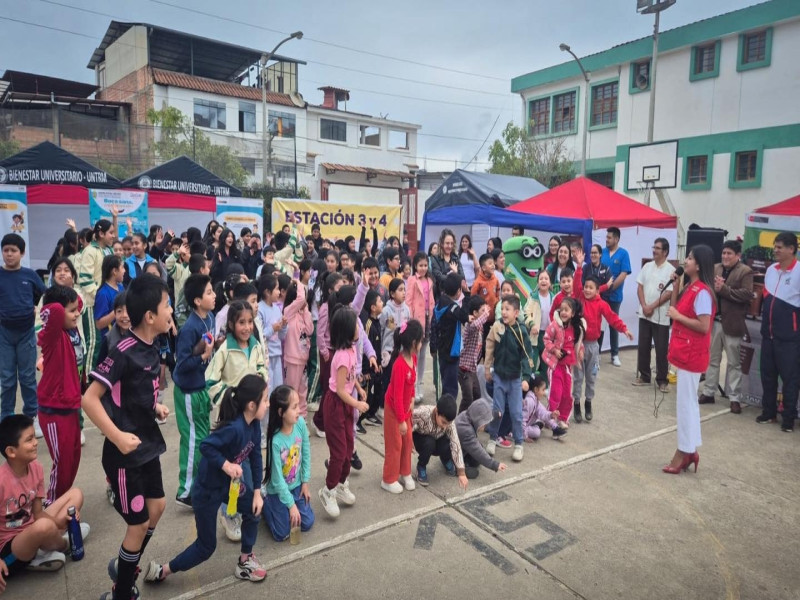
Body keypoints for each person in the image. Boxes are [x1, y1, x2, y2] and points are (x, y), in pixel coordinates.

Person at [81, 274, 172, 600]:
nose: (171, 312)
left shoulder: (152, 346)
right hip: (124, 456)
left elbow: (135, 395)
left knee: (158, 507)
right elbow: (89, 399)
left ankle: (125, 566)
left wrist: (156, 406)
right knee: (137, 524)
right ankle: (121, 593)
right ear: (150, 316)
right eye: (167, 306)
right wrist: (117, 436)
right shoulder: (122, 350)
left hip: (147, 446)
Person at [143, 375, 268, 585]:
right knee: (206, 547)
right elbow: (206, 445)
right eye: (265, 399)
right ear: (251, 405)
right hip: (207, 492)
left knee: (254, 510)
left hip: (230, 487)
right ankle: (163, 571)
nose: (268, 403)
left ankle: (245, 561)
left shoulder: (253, 425)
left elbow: (255, 457)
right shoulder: (235, 428)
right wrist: (227, 465)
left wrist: (256, 491)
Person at [0, 415, 90, 585]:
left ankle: (46, 546)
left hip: (32, 524)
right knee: (43, 526)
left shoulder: (36, 468)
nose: (35, 442)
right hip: (10, 549)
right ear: (11, 451)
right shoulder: (1, 482)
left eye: (34, 437)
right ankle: (65, 543)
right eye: (29, 439)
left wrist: (62, 522)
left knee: (76, 494)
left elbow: (38, 513)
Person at [664, 245, 716, 472]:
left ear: (699, 264)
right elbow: (675, 309)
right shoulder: (690, 287)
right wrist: (675, 285)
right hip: (684, 352)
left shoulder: (703, 292)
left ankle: (683, 452)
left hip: (692, 354)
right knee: (689, 404)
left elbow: (704, 326)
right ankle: (691, 449)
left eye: (690, 258)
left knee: (685, 406)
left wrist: (678, 316)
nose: (686, 261)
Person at [318, 307, 369, 518]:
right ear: (347, 331)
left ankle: (341, 483)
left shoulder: (352, 351)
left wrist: (358, 388)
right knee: (338, 452)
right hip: (336, 404)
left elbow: (351, 377)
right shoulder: (340, 357)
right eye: (355, 324)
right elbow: (339, 389)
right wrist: (357, 404)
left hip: (346, 403)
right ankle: (328, 490)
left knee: (349, 447)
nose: (359, 327)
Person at [172, 274, 216, 509]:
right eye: (209, 292)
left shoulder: (209, 318)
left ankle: (198, 484)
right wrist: (203, 356)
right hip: (187, 390)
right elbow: (182, 364)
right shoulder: (189, 328)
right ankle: (185, 491)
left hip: (200, 387)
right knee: (192, 441)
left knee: (202, 438)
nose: (214, 295)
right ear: (197, 301)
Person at [36, 285, 83, 504]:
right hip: (54, 410)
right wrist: (57, 296)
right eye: (72, 311)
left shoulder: (69, 331)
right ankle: (51, 505)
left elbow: (77, 304)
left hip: (70, 407)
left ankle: (61, 501)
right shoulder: (52, 336)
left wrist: (70, 302)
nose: (77, 314)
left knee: (72, 460)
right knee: (62, 462)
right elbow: (54, 309)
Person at [698, 240, 754, 414]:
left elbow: (746, 295)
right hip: (714, 321)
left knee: (734, 363)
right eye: (723, 253)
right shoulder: (715, 268)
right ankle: (708, 392)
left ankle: (735, 398)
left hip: (733, 323)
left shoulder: (745, 271)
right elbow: (707, 288)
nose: (725, 256)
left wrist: (724, 289)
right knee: (712, 359)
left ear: (738, 255)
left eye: (729, 253)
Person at [0, 234, 46, 434]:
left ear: (22, 253)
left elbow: (44, 295)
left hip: (26, 333)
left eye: (13, 250)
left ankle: (31, 417)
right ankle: (7, 419)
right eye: (6, 250)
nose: (9, 254)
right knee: (7, 378)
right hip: (4, 334)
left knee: (28, 378)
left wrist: (35, 307)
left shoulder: (30, 275)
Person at [756, 232, 800, 432]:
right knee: (768, 375)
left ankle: (789, 419)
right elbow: (767, 297)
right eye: (775, 246)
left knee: (790, 379)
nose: (775, 250)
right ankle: (769, 412)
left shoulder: (799, 271)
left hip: (789, 338)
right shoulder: (771, 270)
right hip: (769, 335)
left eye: (780, 247)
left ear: (792, 249)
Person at [573, 276, 633, 422]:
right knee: (578, 378)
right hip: (579, 346)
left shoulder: (601, 304)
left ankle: (588, 402)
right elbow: (576, 286)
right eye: (585, 287)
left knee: (591, 377)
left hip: (593, 346)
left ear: (598, 291)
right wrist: (580, 266)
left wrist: (624, 329)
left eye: (591, 287)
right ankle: (576, 404)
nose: (587, 290)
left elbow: (612, 317)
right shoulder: (580, 300)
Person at [485, 294, 534, 462]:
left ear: (516, 312)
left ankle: (519, 444)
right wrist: (487, 368)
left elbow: (527, 356)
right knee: (497, 410)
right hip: (499, 376)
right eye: (502, 309)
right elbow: (490, 346)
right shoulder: (497, 326)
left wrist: (526, 377)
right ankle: (492, 439)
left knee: (516, 413)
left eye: (508, 309)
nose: (504, 312)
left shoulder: (521, 331)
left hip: (514, 380)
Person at [263, 385, 314, 542]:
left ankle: (287, 507)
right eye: (294, 407)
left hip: (296, 485)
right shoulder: (275, 441)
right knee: (282, 533)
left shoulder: (299, 425)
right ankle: (265, 502)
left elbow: (306, 453)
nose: (299, 410)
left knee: (307, 522)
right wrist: (291, 506)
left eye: (298, 405)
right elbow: (277, 480)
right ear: (281, 413)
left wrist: (305, 482)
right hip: (277, 491)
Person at [381, 320, 424, 494]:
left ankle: (405, 472)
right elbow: (397, 396)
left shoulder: (413, 358)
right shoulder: (399, 365)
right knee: (395, 443)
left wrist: (413, 398)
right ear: (414, 343)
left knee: (408, 442)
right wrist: (401, 421)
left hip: (406, 408)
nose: (422, 343)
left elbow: (412, 384)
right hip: (394, 410)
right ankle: (388, 478)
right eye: (420, 341)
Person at [632, 238, 675, 392]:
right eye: (654, 247)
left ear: (665, 252)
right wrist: (644, 306)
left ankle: (662, 380)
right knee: (643, 346)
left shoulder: (670, 270)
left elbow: (669, 294)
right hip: (644, 314)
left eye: (657, 248)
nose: (654, 250)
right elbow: (639, 287)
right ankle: (644, 376)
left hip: (660, 316)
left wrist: (651, 306)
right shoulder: (647, 266)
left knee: (661, 348)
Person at [78, 219, 115, 374]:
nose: (113, 236)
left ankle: (103, 377)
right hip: (93, 304)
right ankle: (87, 381)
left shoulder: (108, 251)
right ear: (101, 234)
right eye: (111, 233)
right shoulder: (90, 251)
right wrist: (99, 295)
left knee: (107, 341)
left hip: (107, 303)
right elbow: (84, 279)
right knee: (94, 342)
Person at [542, 297, 586, 427]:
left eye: (566, 310)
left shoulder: (575, 328)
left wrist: (581, 351)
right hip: (555, 366)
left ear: (572, 313)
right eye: (561, 310)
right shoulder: (554, 325)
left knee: (567, 394)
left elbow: (578, 342)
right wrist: (554, 350)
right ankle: (550, 417)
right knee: (556, 393)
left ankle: (562, 418)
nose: (563, 313)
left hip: (567, 366)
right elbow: (546, 339)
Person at [411, 394, 467, 488]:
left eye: (448, 423)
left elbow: (455, 443)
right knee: (430, 442)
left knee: (449, 440)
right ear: (437, 411)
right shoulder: (423, 413)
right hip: (421, 440)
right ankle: (421, 467)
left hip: (437, 440)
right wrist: (408, 442)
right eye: (443, 422)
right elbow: (407, 421)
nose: (445, 426)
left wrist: (461, 472)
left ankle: (446, 459)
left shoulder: (449, 423)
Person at [433, 273, 469, 400]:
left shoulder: (440, 302)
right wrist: (467, 295)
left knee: (445, 381)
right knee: (451, 387)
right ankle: (447, 413)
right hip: (451, 351)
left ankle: (444, 408)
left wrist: (433, 346)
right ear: (458, 290)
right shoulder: (452, 308)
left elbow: (434, 325)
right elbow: (464, 316)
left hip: (442, 348)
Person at [405, 252, 434, 402]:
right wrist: (410, 320)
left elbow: (432, 301)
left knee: (423, 354)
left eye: (425, 265)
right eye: (420, 265)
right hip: (416, 321)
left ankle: (420, 383)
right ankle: (413, 385)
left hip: (427, 320)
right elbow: (408, 300)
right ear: (415, 266)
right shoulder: (411, 280)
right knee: (414, 353)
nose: (423, 268)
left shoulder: (429, 280)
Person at [454, 398, 508, 479]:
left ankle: (464, 462)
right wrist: (495, 464)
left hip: (461, 448)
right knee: (476, 468)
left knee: (477, 460)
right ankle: (455, 468)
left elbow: (485, 413)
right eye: (484, 424)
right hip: (452, 455)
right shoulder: (465, 430)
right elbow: (477, 450)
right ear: (478, 419)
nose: (486, 426)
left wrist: (495, 414)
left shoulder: (467, 415)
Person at [600, 227, 631, 367]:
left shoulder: (624, 254)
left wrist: (611, 287)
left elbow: (624, 274)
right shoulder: (603, 252)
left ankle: (615, 354)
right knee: (599, 324)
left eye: (609, 237)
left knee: (614, 324)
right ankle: (597, 352)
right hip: (601, 295)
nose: (607, 240)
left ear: (616, 239)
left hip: (615, 296)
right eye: (606, 237)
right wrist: (603, 288)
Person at [282, 282, 313, 417]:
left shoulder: (303, 313)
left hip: (303, 360)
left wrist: (305, 310)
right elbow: (300, 299)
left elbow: (310, 329)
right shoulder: (288, 312)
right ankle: (290, 415)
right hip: (293, 360)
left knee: (302, 390)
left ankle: (302, 416)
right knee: (292, 391)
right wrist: (299, 284)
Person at [458, 296, 491, 413]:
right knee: (468, 398)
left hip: (472, 369)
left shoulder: (480, 327)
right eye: (482, 311)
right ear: (475, 313)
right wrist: (486, 314)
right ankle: (457, 422)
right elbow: (475, 325)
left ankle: (472, 419)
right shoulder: (470, 326)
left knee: (477, 395)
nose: (485, 313)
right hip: (463, 368)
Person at [523, 270, 556, 382]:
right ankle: (530, 383)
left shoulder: (553, 298)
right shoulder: (533, 297)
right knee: (531, 360)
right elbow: (526, 313)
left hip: (548, 336)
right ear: (537, 282)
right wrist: (532, 324)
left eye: (546, 279)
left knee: (546, 362)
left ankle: (544, 385)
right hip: (535, 335)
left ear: (550, 282)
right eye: (541, 279)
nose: (543, 281)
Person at [360, 290, 384, 426]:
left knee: (377, 391)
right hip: (368, 369)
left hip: (376, 365)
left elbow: (377, 346)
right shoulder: (368, 325)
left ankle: (371, 414)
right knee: (366, 394)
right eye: (380, 301)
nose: (382, 303)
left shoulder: (377, 322)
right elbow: (365, 348)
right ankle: (359, 419)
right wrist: (366, 371)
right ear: (373, 307)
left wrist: (379, 362)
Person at [94, 255, 125, 344]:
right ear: (114, 271)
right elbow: (99, 324)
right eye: (122, 267)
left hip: (123, 337)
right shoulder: (103, 294)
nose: (124, 271)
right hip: (110, 341)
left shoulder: (121, 287)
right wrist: (117, 311)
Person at [430, 229, 467, 298]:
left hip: (457, 296)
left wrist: (455, 273)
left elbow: (462, 277)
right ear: (441, 243)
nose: (450, 246)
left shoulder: (456, 258)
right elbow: (440, 278)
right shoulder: (435, 259)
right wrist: (454, 274)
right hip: (441, 297)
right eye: (447, 243)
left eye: (451, 243)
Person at [471, 253, 500, 321]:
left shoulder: (495, 279)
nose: (493, 265)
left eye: (493, 263)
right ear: (483, 268)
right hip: (483, 318)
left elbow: (498, 291)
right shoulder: (478, 282)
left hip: (494, 316)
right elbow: (473, 298)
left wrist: (497, 301)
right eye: (490, 263)